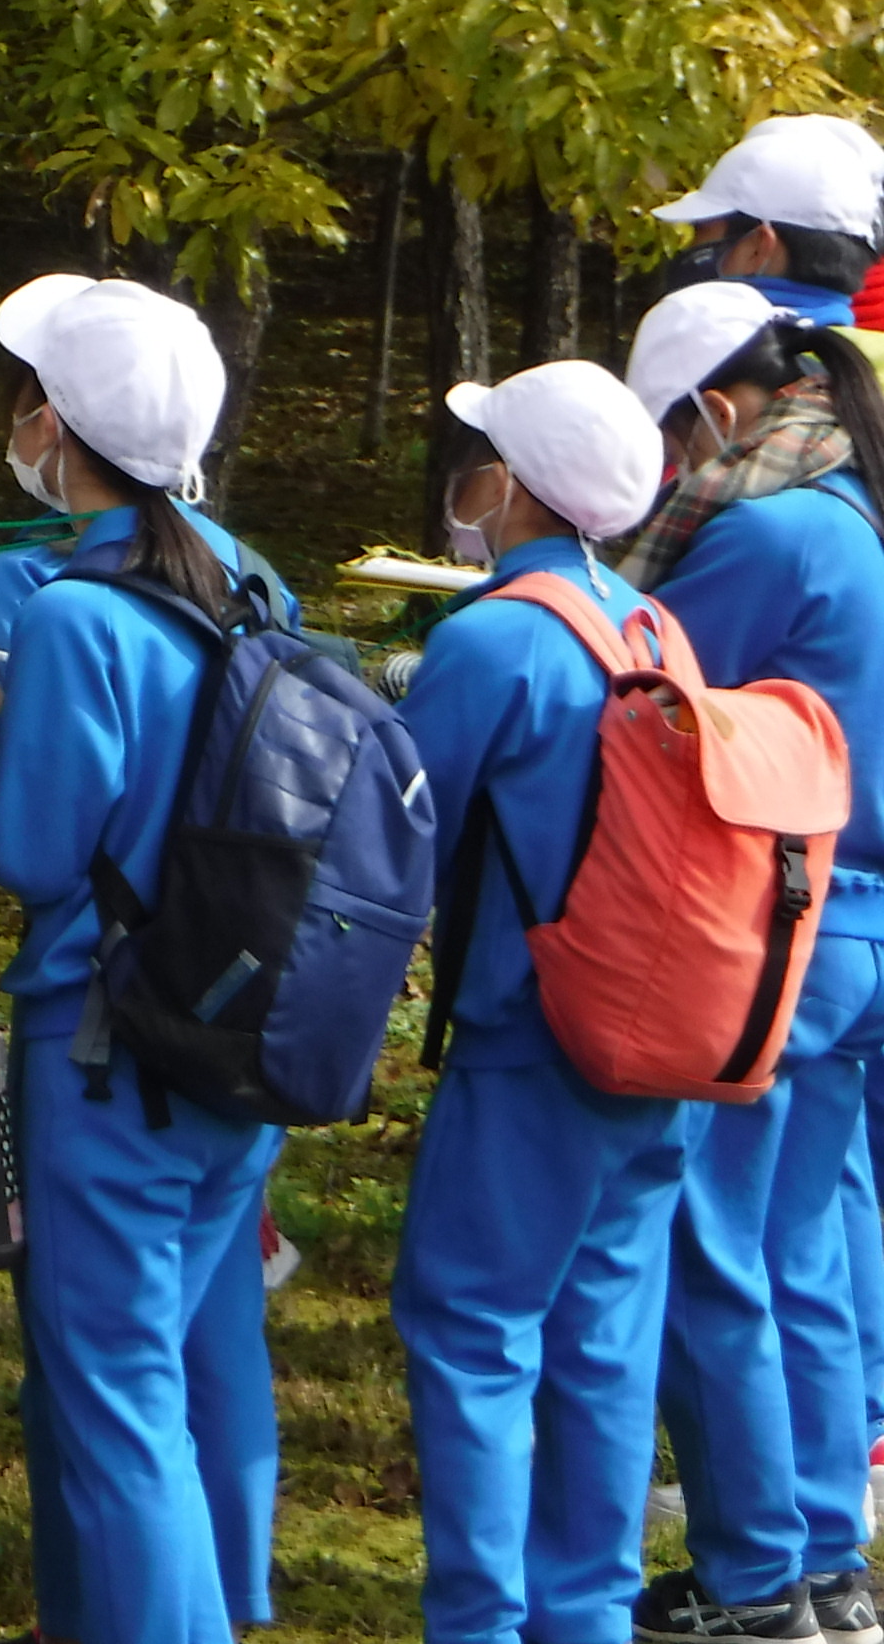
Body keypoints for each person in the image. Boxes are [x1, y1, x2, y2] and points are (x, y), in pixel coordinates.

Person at [0, 273, 286, 1643]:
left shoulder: (70, 615)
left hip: (104, 1048)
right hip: (241, 1027)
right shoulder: (253, 581)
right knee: (168, 1367)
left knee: (112, 1399)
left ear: (58, 427)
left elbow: (37, 853)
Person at [388, 360, 681, 1644]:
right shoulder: (655, 627)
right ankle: (589, 1614)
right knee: (606, 1336)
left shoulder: (494, 637)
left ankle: (479, 1621)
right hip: (662, 1034)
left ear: (511, 485)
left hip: (527, 1031)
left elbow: (400, 835)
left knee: (471, 1323)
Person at [617, 282, 884, 1642]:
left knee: (712, 1252)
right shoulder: (858, 511)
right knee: (801, 1249)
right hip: (859, 931)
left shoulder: (775, 534)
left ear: (717, 412)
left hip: (776, 933)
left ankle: (753, 1576)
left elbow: (637, 687)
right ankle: (831, 1559)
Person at [649, 114, 884, 329]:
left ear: (758, 248)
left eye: (699, 232)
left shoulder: (700, 341)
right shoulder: (862, 353)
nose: (690, 247)